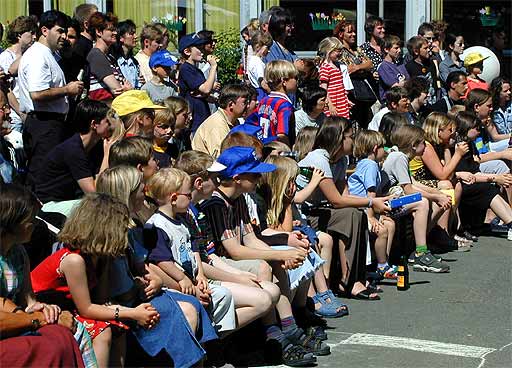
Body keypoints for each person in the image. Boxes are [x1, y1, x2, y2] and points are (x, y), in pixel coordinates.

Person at [200, 145, 325, 365]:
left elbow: (251, 239)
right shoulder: (216, 204)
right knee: (264, 265)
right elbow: (235, 251)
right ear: (238, 178)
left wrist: (284, 253)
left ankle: (288, 326)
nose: (259, 179)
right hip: (221, 264)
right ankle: (274, 336)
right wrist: (279, 255)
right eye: (255, 174)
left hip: (236, 259)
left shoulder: (238, 199)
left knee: (274, 260)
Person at [96, 166, 218, 366]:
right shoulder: (107, 236)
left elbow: (141, 266)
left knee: (193, 304)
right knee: (187, 309)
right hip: (125, 302)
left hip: (139, 292)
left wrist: (156, 279)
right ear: (126, 194)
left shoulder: (132, 224)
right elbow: (108, 289)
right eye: (140, 187)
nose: (145, 191)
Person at [31, 193, 161, 367]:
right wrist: (133, 313)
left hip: (73, 307)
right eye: (121, 227)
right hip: (50, 308)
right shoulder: (73, 260)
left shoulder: (100, 257)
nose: (125, 231)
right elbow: (87, 309)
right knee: (103, 331)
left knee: (118, 327)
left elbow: (101, 299)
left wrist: (136, 311)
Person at [175, 150, 280, 333]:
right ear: (199, 183)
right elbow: (198, 263)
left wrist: (239, 277)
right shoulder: (192, 213)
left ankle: (261, 336)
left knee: (271, 290)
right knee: (263, 298)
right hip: (198, 282)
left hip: (209, 273)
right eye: (215, 179)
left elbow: (209, 256)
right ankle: (217, 343)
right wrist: (236, 278)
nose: (219, 183)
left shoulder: (195, 213)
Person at [296, 117, 390, 298]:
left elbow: (344, 195)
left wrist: (380, 200)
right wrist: (371, 202)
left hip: (322, 210)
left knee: (356, 213)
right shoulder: (318, 158)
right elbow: (336, 200)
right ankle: (349, 281)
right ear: (339, 139)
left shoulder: (341, 160)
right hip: (304, 213)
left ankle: (353, 278)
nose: (353, 141)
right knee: (351, 215)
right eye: (351, 137)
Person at [0, 184, 89, 368]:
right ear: (12, 221)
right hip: (8, 327)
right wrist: (40, 319)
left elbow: (28, 300)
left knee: (75, 330)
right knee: (55, 342)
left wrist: (42, 308)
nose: (34, 223)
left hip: (17, 319)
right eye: (30, 218)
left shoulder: (19, 254)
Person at [18, 10, 84, 186]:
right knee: (42, 175)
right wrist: (67, 90)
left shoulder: (48, 54)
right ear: (45, 31)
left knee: (50, 174)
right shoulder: (38, 56)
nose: (63, 36)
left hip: (51, 123)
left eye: (65, 32)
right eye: (60, 31)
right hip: (44, 123)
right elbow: (38, 93)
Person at [381, 124, 452, 271]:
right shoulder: (399, 157)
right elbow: (409, 190)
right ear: (413, 145)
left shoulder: (401, 156)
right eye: (422, 143)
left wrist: (438, 194)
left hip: (397, 198)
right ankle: (421, 252)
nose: (425, 146)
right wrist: (435, 196)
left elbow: (413, 183)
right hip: (388, 203)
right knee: (422, 202)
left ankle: (416, 247)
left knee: (433, 200)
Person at [34, 100, 116, 216]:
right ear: (94, 124)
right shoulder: (72, 150)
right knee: (101, 207)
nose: (111, 126)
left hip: (72, 200)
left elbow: (99, 179)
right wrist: (107, 154)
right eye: (107, 121)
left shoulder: (96, 146)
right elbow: (94, 193)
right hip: (51, 205)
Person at [454, 111, 512, 240]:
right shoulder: (459, 147)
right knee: (487, 188)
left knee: (490, 185)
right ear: (466, 128)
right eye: (475, 129)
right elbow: (468, 174)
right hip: (460, 182)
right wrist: (495, 178)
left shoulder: (470, 144)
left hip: (470, 179)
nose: (479, 132)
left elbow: (474, 170)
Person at [348, 130, 397, 279]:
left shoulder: (365, 164)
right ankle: (382, 265)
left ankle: (381, 261)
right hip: (361, 209)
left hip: (364, 206)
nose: (385, 150)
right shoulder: (371, 165)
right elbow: (370, 194)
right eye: (383, 147)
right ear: (376, 148)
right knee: (381, 230)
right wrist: (371, 217)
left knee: (390, 224)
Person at [245, 60, 298, 146]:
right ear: (284, 81)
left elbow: (250, 121)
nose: (297, 81)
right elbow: (282, 135)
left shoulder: (264, 101)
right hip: (277, 151)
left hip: (264, 148)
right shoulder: (284, 105)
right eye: (295, 77)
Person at [0, 16, 38, 133]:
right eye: (31, 33)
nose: (35, 37)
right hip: (15, 117)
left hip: (29, 114)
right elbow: (6, 89)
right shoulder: (5, 57)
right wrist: (21, 113)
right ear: (19, 35)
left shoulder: (30, 55)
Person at [335, 19, 375, 128]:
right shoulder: (339, 51)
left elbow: (370, 64)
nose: (354, 34)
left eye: (354, 31)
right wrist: (362, 68)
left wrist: (357, 67)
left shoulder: (356, 49)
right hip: (350, 92)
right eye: (350, 32)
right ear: (341, 34)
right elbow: (346, 70)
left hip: (363, 91)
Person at [192, 85, 250, 157]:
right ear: (231, 104)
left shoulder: (234, 121)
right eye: (244, 102)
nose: (248, 106)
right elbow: (222, 159)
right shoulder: (217, 125)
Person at [178, 33, 219, 134]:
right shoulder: (186, 69)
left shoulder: (195, 69)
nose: (202, 51)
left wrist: (206, 97)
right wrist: (213, 66)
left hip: (202, 116)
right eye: (199, 48)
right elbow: (206, 89)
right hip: (194, 120)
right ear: (187, 51)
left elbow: (201, 92)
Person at [87, 12, 132, 104]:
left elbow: (125, 85)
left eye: (115, 29)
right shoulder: (96, 55)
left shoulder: (110, 57)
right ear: (99, 32)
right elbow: (117, 89)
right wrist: (126, 90)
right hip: (103, 110)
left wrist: (125, 89)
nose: (115, 32)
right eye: (111, 30)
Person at [466, 88, 510, 153]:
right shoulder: (470, 124)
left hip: (488, 147)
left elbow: (495, 136)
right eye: (489, 106)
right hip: (481, 153)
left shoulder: (486, 118)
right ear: (476, 107)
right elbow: (479, 152)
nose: (491, 108)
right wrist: (502, 154)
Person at [317, 37, 351, 119]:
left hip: (340, 100)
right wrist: (330, 105)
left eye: (340, 51)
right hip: (332, 101)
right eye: (337, 51)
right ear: (328, 50)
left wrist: (346, 99)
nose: (340, 53)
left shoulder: (337, 65)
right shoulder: (325, 67)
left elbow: (340, 85)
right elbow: (324, 89)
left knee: (343, 123)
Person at [67, 3, 98, 83]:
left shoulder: (89, 44)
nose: (101, 23)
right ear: (86, 24)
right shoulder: (80, 46)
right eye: (97, 19)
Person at [111, 20, 143, 90]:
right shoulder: (114, 62)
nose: (135, 36)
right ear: (121, 38)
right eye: (131, 33)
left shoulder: (134, 62)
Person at [377, 35, 409, 102]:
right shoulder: (384, 66)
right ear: (386, 49)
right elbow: (396, 87)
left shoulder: (400, 64)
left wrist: (404, 83)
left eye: (399, 47)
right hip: (390, 102)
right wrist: (403, 84)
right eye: (396, 48)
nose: (399, 50)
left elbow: (409, 82)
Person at [359, 15, 386, 92]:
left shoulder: (388, 47)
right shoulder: (363, 50)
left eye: (383, 28)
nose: (383, 30)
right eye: (379, 28)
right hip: (372, 90)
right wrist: (371, 74)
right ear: (371, 30)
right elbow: (361, 71)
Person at [247, 31, 273, 101]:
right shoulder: (258, 62)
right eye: (267, 48)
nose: (269, 51)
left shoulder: (252, 60)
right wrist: (272, 93)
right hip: (261, 94)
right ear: (258, 46)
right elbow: (262, 82)